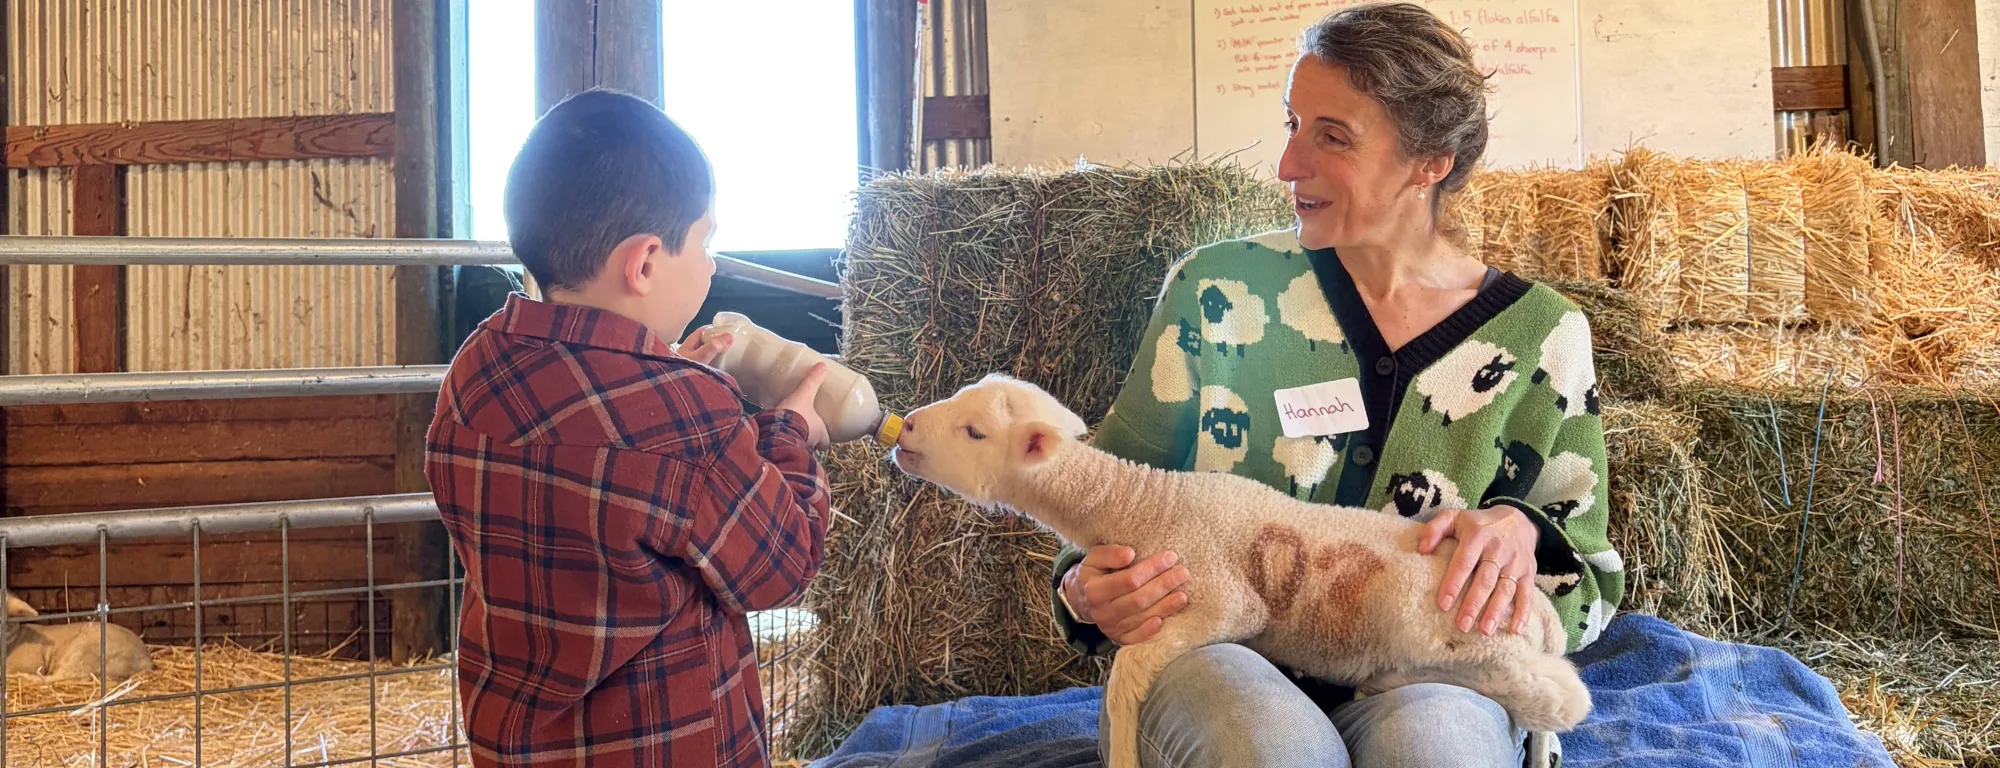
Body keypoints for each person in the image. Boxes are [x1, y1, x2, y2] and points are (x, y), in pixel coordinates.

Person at [1049, 5, 1625, 767]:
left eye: (1333, 137)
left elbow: (1587, 586)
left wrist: (1523, 532)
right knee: (1277, 752)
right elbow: (1099, 499)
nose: (1288, 164)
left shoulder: (1543, 336)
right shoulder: (1216, 291)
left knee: (1437, 752)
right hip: (1217, 651)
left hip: (1430, 671)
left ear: (1431, 162)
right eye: (1292, 124)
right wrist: (1087, 590)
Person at [425, 88, 833, 767]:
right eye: (705, 241)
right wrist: (788, 431)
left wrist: (670, 372)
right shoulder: (688, 415)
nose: (709, 264)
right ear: (644, 263)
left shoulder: (477, 369)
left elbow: (589, 434)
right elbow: (780, 565)